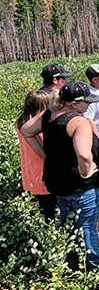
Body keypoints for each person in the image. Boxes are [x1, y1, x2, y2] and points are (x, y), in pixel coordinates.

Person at [21, 81, 99, 269]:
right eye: (87, 102)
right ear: (74, 103)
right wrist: (85, 174)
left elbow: (26, 130)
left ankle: (72, 264)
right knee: (87, 226)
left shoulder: (48, 116)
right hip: (81, 186)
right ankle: (95, 266)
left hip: (59, 182)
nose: (90, 105)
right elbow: (84, 154)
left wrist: (45, 154)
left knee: (67, 222)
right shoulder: (78, 122)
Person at [15, 90, 57, 221]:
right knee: (50, 209)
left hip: (30, 169)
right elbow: (45, 151)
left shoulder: (21, 122)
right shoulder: (38, 127)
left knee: (42, 204)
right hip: (43, 171)